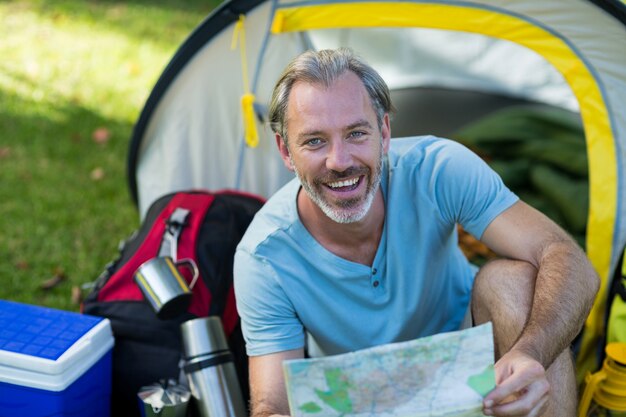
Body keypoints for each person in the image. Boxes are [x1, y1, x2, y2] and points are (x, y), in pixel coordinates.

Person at [233, 48, 599, 417]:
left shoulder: (439, 169)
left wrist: (529, 352)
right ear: (285, 150)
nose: (339, 161)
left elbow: (568, 258)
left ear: (385, 132)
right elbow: (272, 405)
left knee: (511, 280)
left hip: (478, 374)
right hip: (360, 400)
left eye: (357, 133)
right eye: (314, 141)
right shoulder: (263, 256)